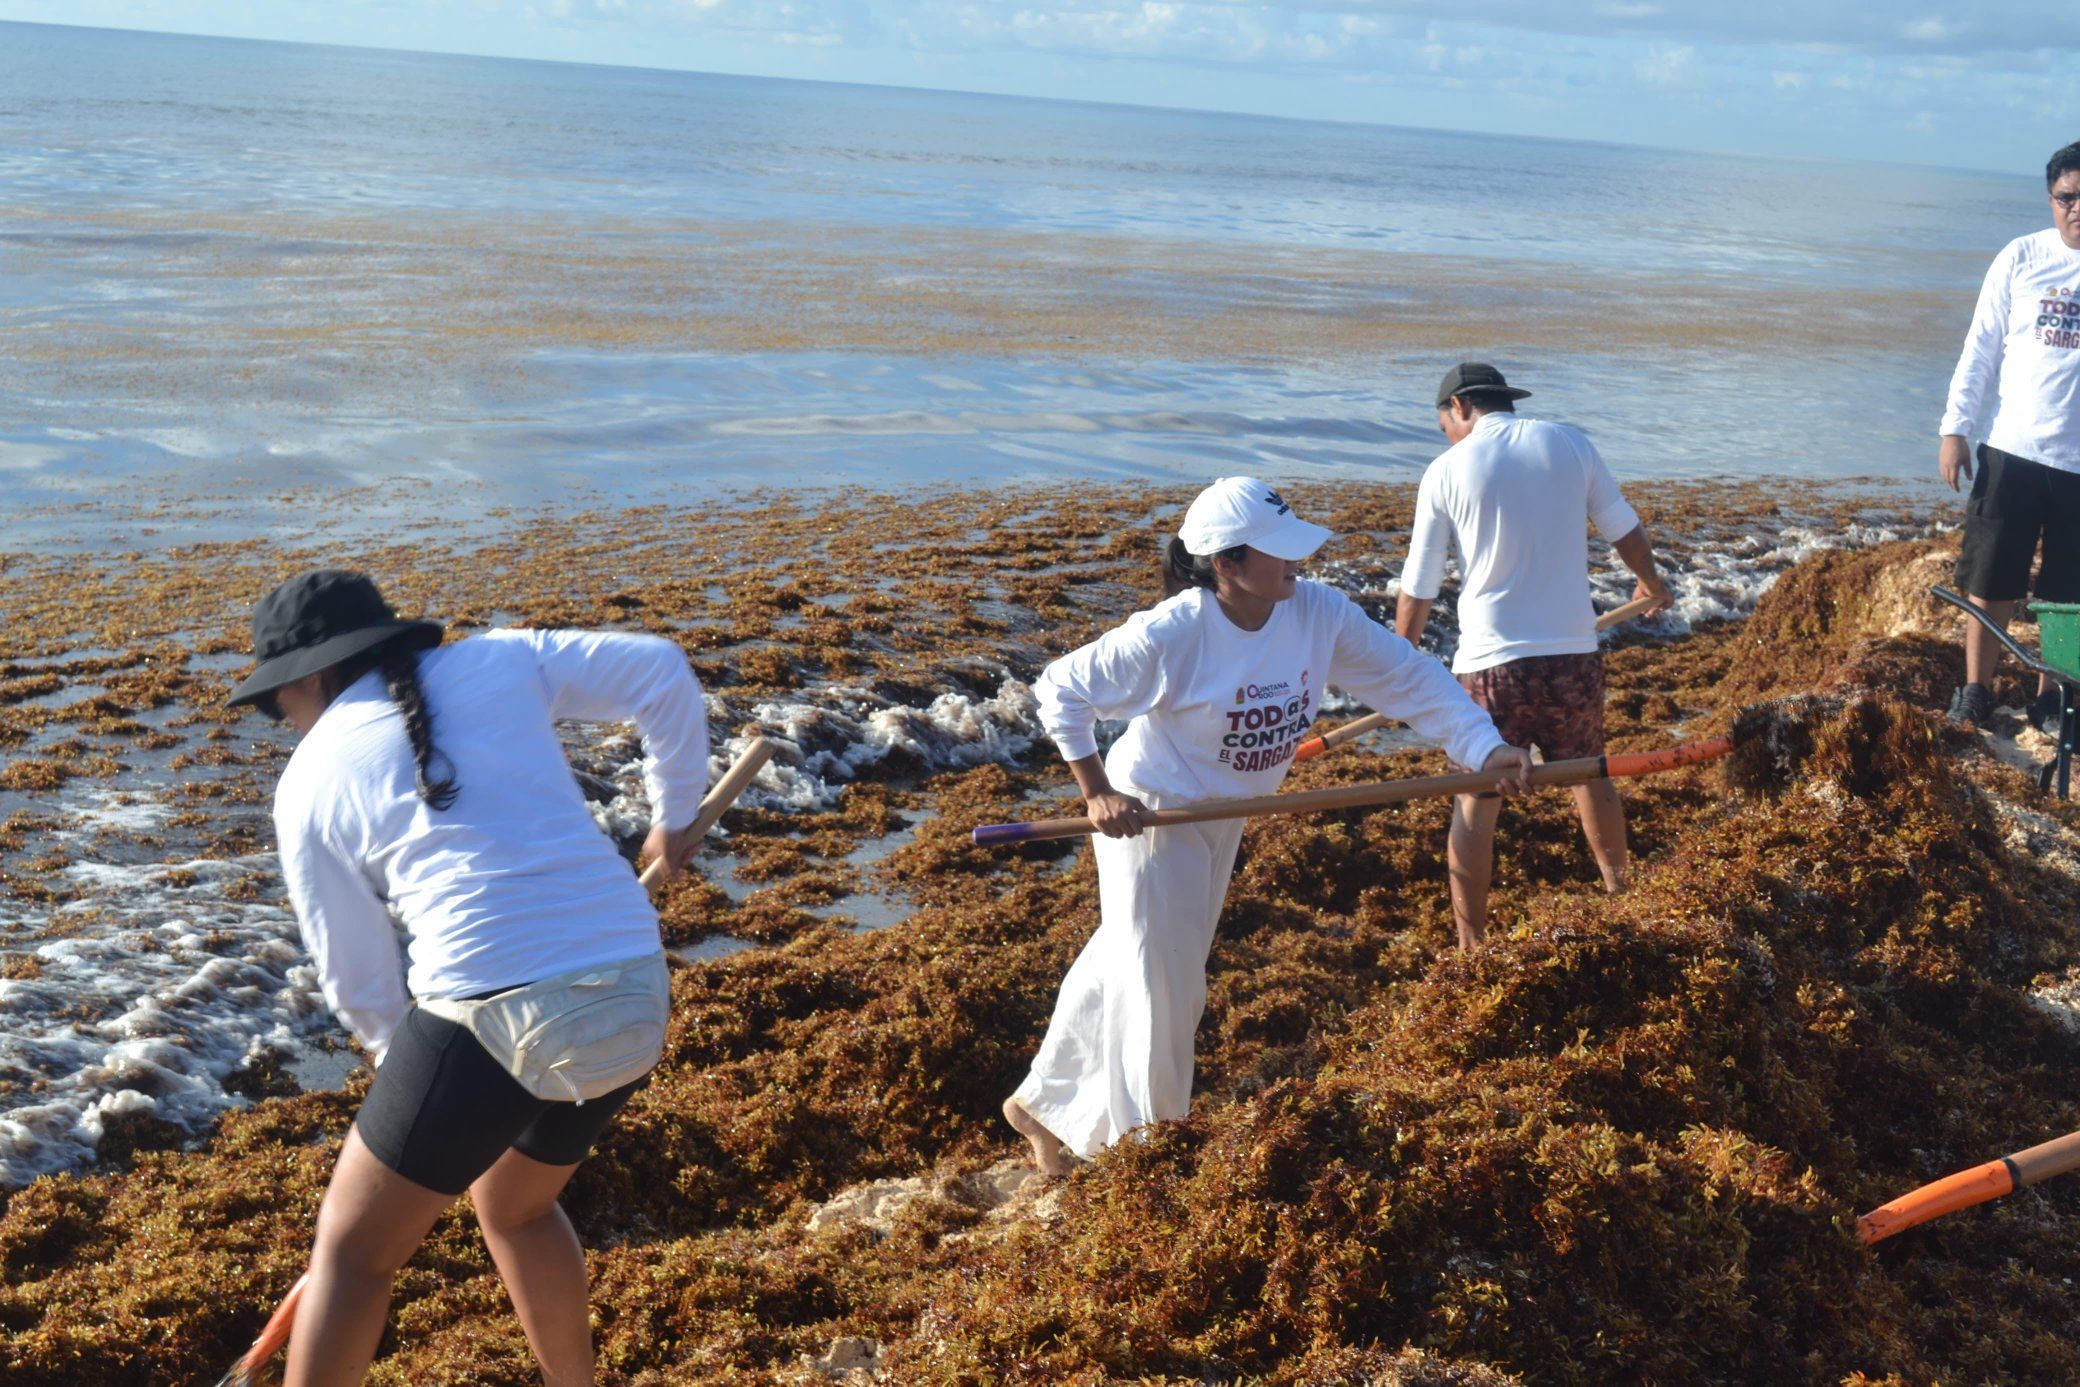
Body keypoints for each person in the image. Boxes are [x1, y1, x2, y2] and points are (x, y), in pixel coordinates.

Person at [226, 569, 710, 1387]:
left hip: (493, 1015)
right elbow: (660, 667)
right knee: (514, 1206)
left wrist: (406, 1083)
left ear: (310, 676)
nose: (284, 722)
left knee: (351, 1254)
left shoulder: (307, 784)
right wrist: (675, 810)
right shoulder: (502, 658)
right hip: (634, 987)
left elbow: (359, 975)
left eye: (279, 703)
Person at [1002, 477, 1530, 1176]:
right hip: (1156, 814)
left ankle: (1042, 1103)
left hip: (1223, 811)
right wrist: (1097, 792)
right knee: (1165, 988)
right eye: (1276, 551)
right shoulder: (1176, 631)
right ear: (1226, 564)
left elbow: (1408, 678)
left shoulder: (1316, 612)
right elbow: (1060, 689)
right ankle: (1151, 1159)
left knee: (1130, 958)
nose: (1296, 561)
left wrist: (1482, 746)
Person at [1394, 363, 1672, 950]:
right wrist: (1650, 583)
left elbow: (1419, 587)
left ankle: (1472, 948)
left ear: (1460, 406)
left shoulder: (1446, 469)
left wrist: (1399, 667)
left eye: (1442, 420)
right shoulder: (1570, 442)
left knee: (1476, 797)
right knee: (1590, 775)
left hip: (1490, 665)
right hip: (1574, 654)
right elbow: (1625, 531)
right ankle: (1623, 900)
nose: (1444, 431)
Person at [1938, 140, 2080, 730]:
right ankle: (1976, 689)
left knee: (2068, 595)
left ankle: (2056, 699)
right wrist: (1955, 429)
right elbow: (1981, 349)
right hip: (2013, 452)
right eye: (2066, 197)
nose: (2077, 208)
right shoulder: (2022, 258)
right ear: (2050, 200)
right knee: (1989, 578)